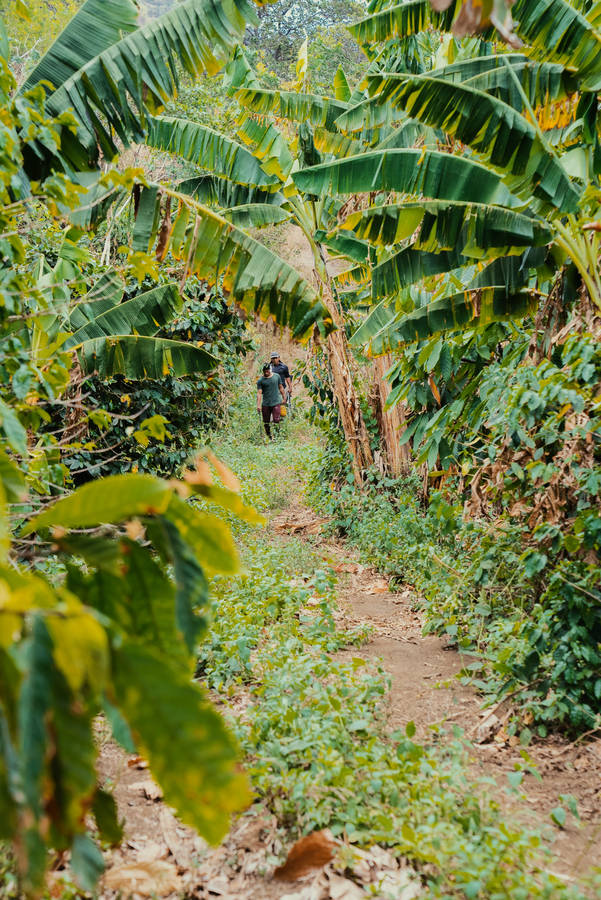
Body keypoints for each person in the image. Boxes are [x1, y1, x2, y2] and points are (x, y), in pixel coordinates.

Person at [257, 362, 286, 440]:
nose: (266, 372)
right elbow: (259, 393)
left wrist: (284, 397)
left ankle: (277, 436)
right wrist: (258, 405)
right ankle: (269, 437)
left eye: (267, 370)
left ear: (270, 370)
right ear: (262, 371)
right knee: (266, 422)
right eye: (264, 370)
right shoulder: (260, 380)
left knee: (276, 420)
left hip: (276, 402)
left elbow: (281, 387)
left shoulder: (276, 377)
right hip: (266, 403)